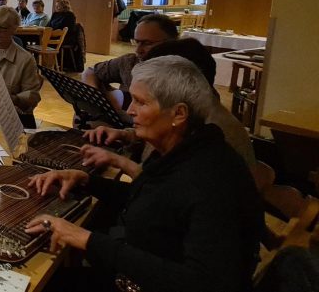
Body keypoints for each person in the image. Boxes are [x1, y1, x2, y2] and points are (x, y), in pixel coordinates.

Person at [25, 56, 263, 292]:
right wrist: (86, 180)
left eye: (140, 102)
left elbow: (204, 282)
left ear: (179, 114)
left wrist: (86, 239)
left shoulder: (210, 179)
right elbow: (155, 201)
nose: (130, 110)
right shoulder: (186, 149)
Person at [82, 37, 256, 173]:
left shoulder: (214, 136)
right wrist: (126, 135)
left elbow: (160, 189)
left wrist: (119, 161)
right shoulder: (195, 112)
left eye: (141, 102)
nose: (130, 110)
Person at [82, 13, 178, 111]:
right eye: (136, 42)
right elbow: (91, 71)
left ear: (171, 42)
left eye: (147, 43)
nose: (138, 50)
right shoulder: (129, 62)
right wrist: (94, 94)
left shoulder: (180, 76)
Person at [0, 7, 42, 128]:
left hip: (9, 116)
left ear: (14, 29)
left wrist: (13, 99)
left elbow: (32, 96)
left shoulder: (26, 59)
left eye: (3, 28)